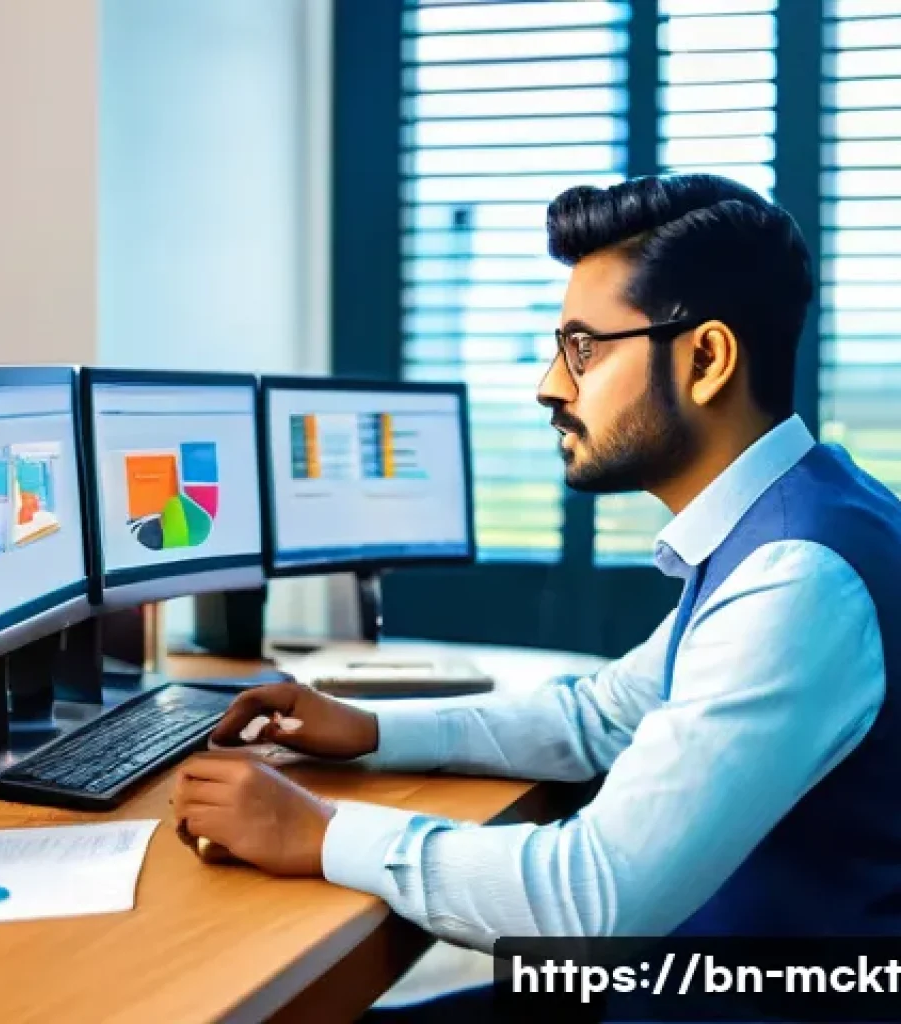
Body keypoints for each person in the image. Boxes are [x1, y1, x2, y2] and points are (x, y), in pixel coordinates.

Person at [171, 173, 901, 1009]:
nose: (551, 385)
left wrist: (317, 830)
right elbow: (599, 715)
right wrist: (368, 727)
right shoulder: (798, 514)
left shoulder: (797, 579)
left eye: (584, 348)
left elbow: (587, 902)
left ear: (706, 359)